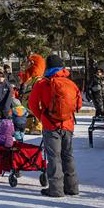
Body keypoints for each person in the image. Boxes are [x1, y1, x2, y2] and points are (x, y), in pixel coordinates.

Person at [28, 54, 81, 198]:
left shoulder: (42, 84)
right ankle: (72, 188)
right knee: (68, 156)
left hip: (50, 126)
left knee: (54, 157)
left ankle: (56, 190)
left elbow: (32, 104)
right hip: (68, 126)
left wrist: (42, 117)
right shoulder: (71, 83)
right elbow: (79, 105)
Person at [19, 54, 46, 135]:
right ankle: (28, 125)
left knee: (36, 112)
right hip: (28, 103)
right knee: (29, 112)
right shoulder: (30, 79)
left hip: (35, 102)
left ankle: (38, 126)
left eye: (29, 62)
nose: (26, 64)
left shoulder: (38, 79)